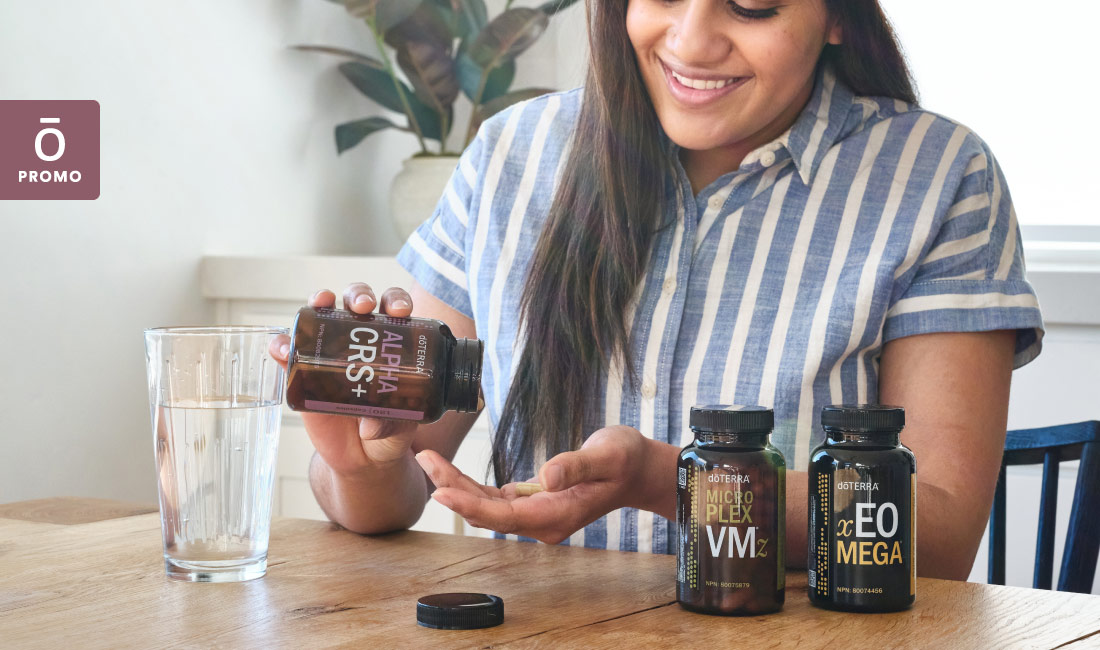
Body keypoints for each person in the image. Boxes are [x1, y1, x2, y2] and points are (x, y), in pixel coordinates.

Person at [268, 0, 1043, 580]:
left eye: (753, 5)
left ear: (838, 15)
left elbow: (935, 534)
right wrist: (358, 468)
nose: (691, 40)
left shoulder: (937, 178)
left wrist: (670, 482)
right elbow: (397, 485)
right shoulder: (514, 155)